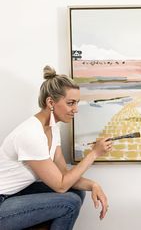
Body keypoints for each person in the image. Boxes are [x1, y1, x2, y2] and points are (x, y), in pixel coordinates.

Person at [0, 65, 112, 230]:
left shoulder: (53, 128)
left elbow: (64, 175)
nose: (76, 109)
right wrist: (94, 153)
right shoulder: (31, 134)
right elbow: (60, 185)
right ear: (50, 102)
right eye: (70, 103)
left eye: (77, 103)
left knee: (76, 192)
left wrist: (93, 185)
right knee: (70, 202)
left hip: (16, 194)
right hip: (3, 201)